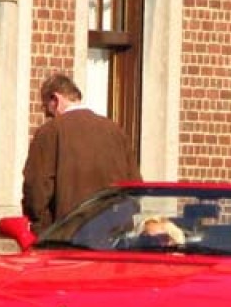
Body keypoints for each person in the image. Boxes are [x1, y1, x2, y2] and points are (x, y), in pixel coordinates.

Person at [22, 74, 142, 233]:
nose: (47, 117)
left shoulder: (50, 132)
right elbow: (136, 187)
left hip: (70, 240)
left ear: (55, 99)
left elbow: (36, 192)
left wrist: (45, 232)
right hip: (115, 239)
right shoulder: (116, 132)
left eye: (47, 110)